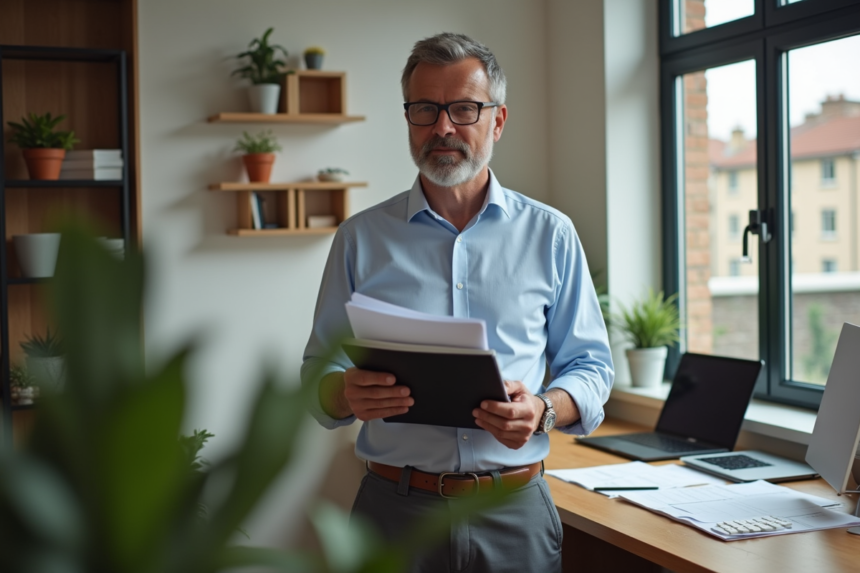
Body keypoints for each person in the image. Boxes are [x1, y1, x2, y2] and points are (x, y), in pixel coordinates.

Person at [301, 32, 613, 572]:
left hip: (514, 508)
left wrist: (542, 411)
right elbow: (316, 375)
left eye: (463, 108)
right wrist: (343, 392)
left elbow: (591, 365)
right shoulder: (360, 238)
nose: (442, 127)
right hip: (392, 514)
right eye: (425, 109)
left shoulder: (551, 235)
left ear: (497, 120)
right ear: (408, 119)